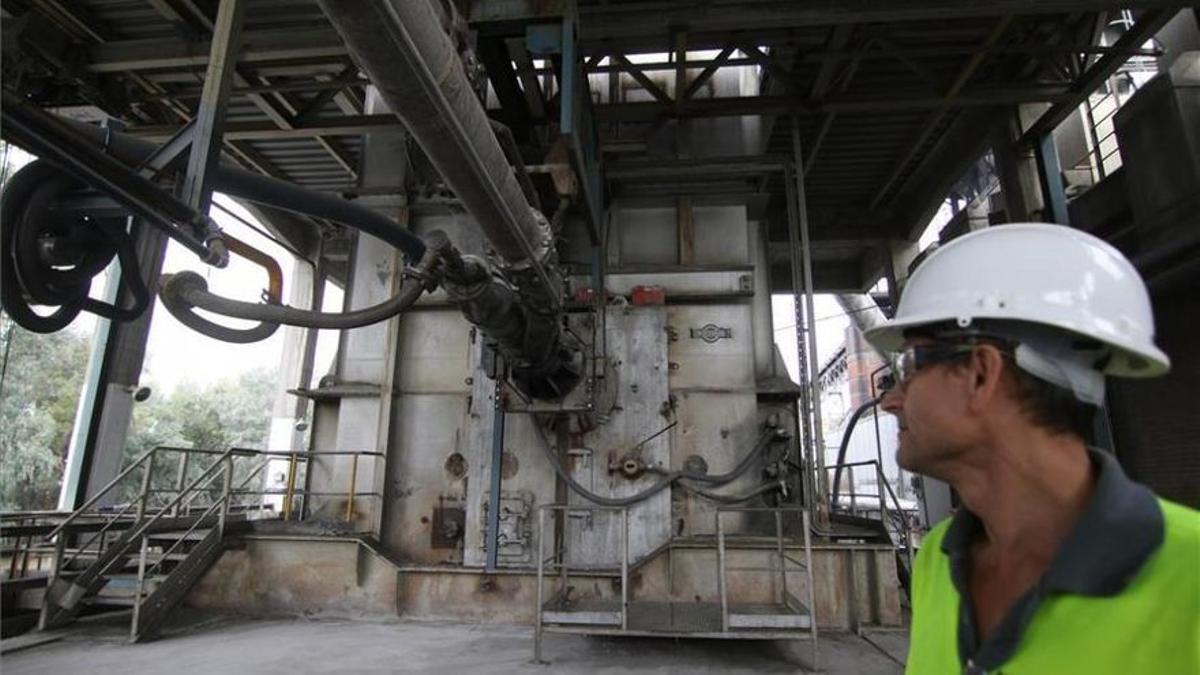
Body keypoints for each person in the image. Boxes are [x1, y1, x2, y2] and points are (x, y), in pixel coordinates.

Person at [862, 224, 1199, 674]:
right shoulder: (939, 558)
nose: (890, 400)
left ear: (981, 373)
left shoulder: (1189, 577)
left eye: (909, 367)